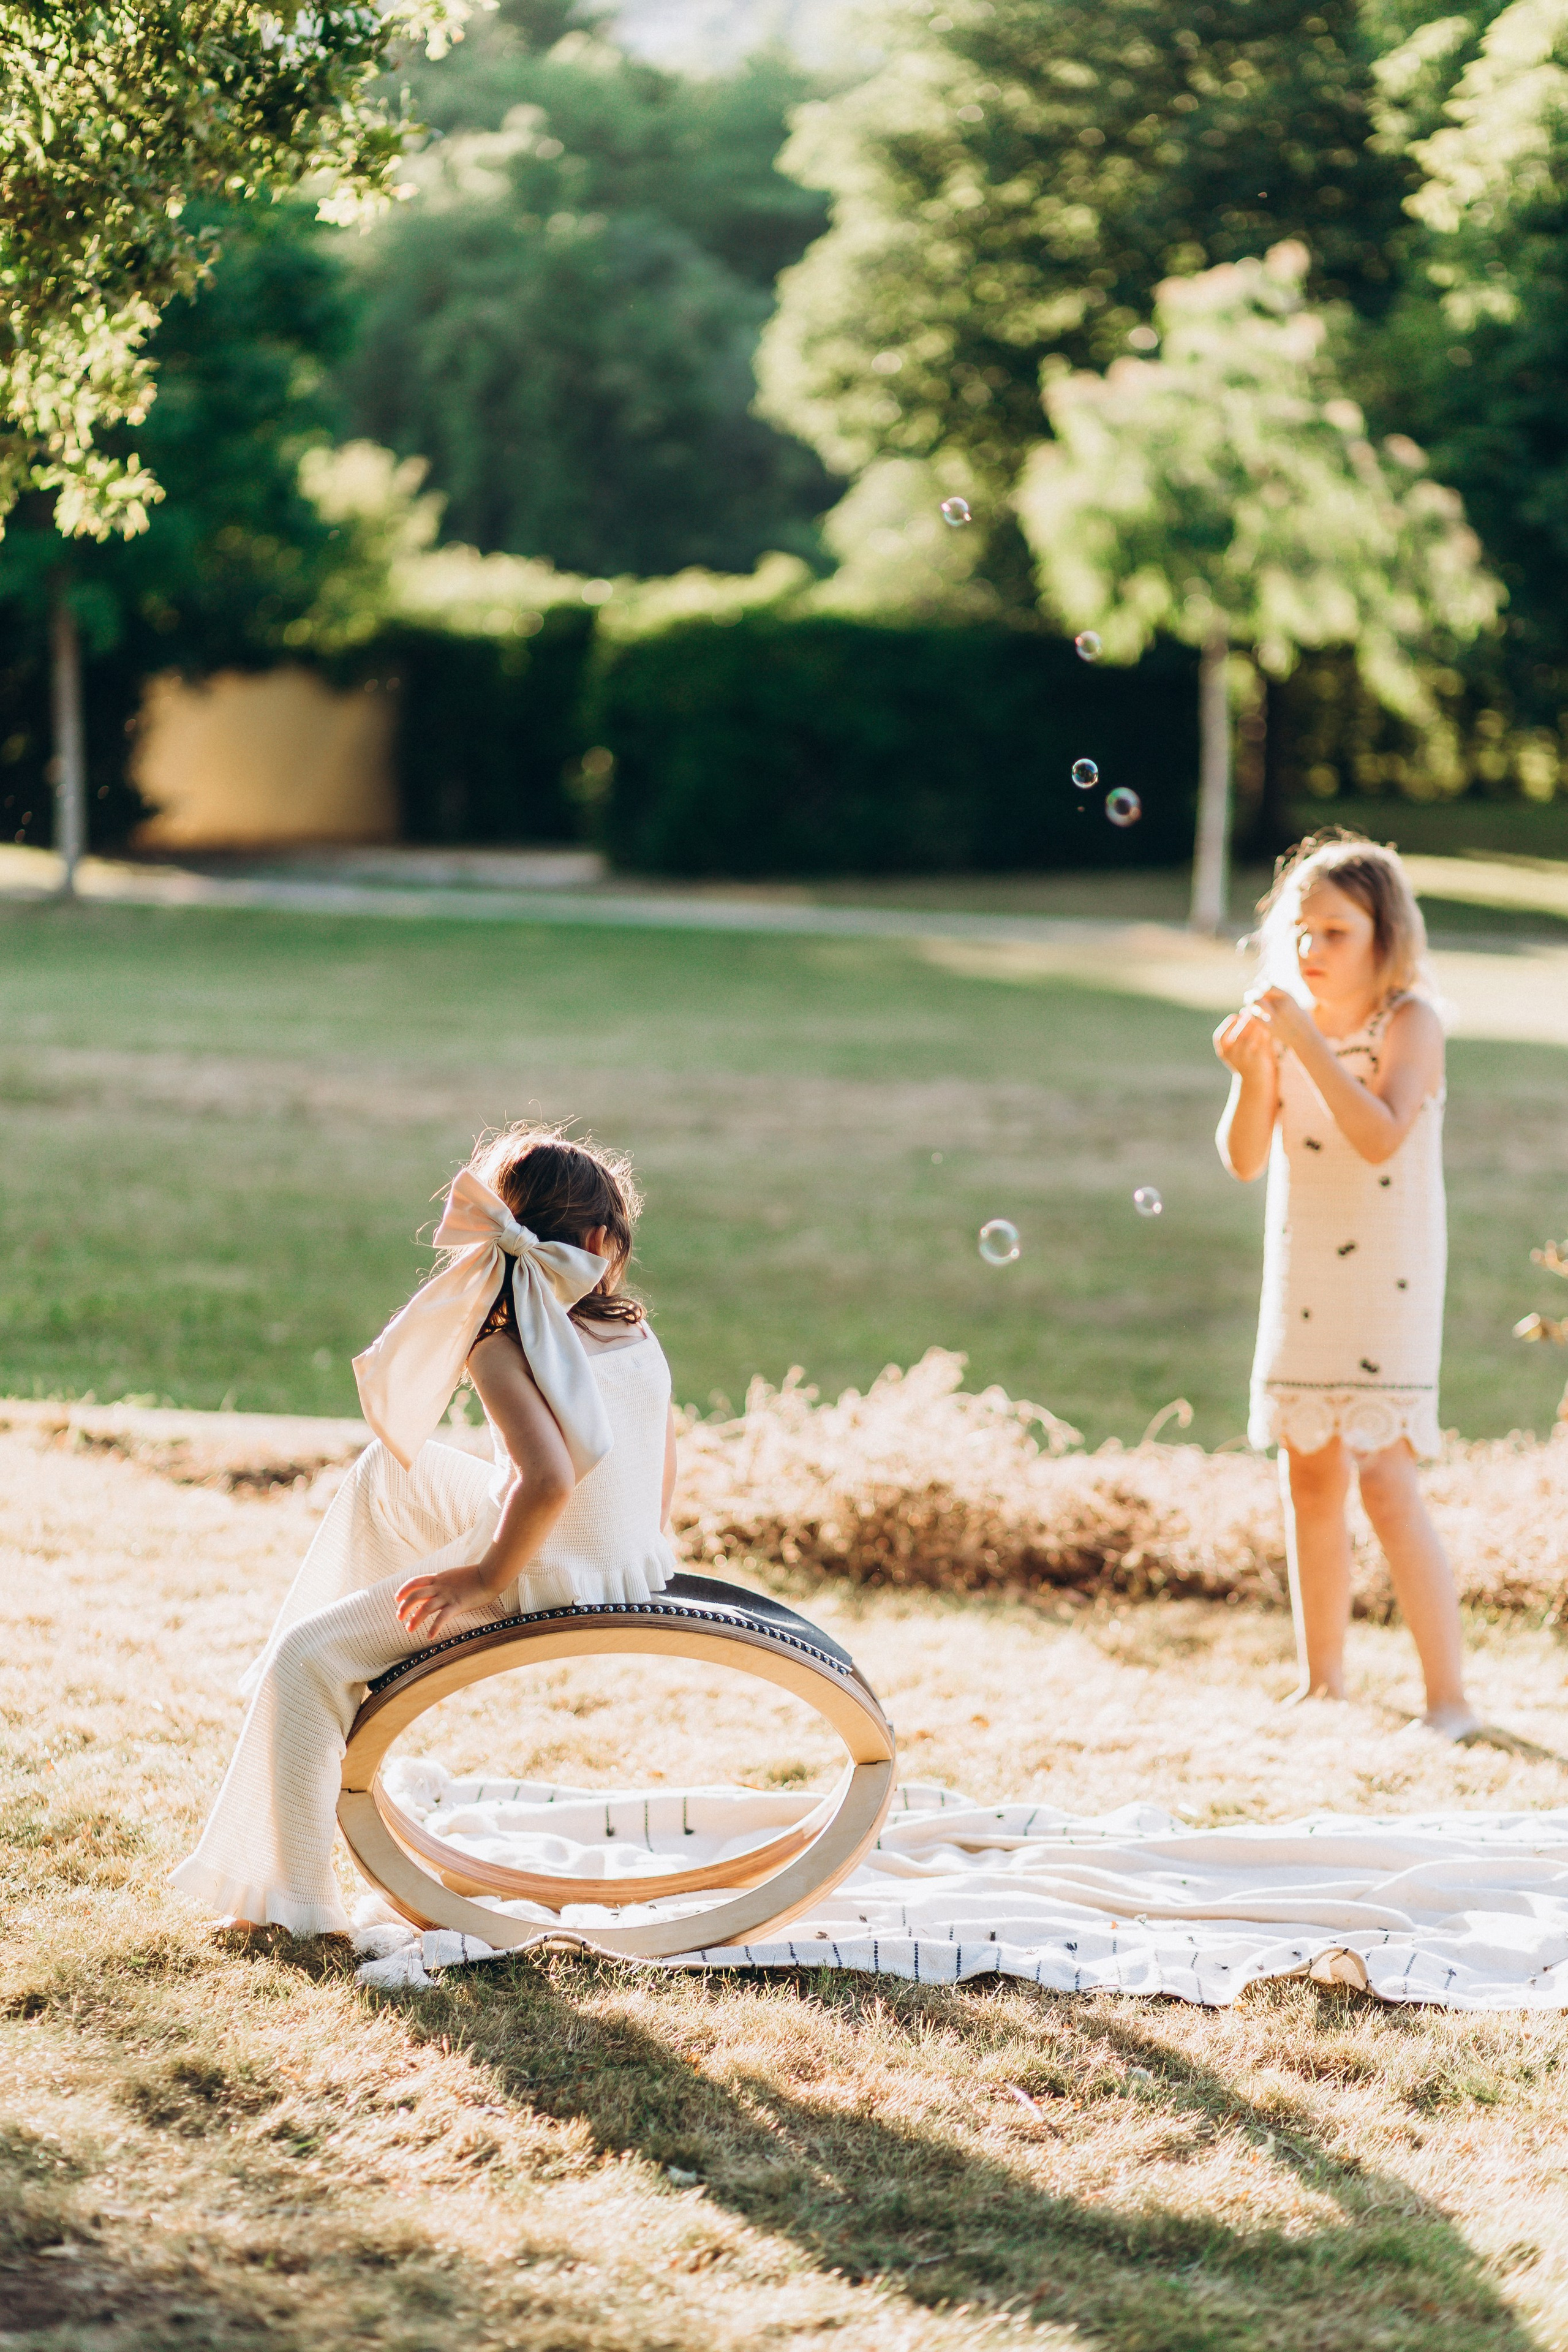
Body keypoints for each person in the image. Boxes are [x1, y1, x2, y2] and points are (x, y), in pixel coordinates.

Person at [171, 1126, 679, 1934]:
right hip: (615, 1552)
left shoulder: (503, 1343)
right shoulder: (631, 1327)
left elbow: (548, 1481)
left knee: (305, 1661)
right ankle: (335, 1650)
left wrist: (480, 1579)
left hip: (534, 1565)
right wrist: (632, 1544)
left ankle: (292, 1898)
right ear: (596, 1244)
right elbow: (656, 1453)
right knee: (388, 1473)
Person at [1213, 831, 1479, 1740]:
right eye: (1303, 931)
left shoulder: (1412, 1021)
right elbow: (1247, 1159)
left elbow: (1379, 1134)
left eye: (1336, 932)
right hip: (1304, 1265)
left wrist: (1303, 1046)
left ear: (1383, 936)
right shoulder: (1288, 1024)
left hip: (1388, 1273)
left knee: (1386, 1481)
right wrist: (1255, 1073)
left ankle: (1449, 1700)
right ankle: (1322, 1683)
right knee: (1309, 1476)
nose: (1313, 950)